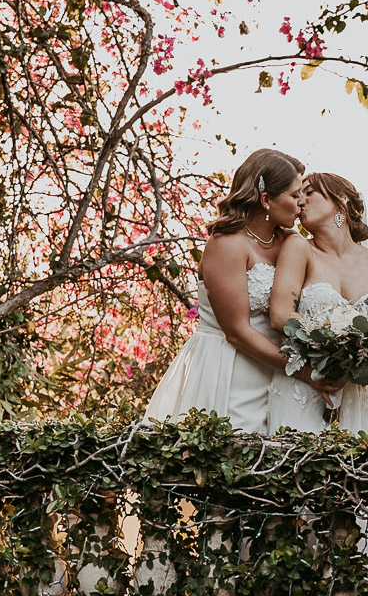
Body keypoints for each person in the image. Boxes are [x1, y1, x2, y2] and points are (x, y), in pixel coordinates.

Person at [143, 148, 338, 432]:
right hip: (229, 369)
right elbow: (236, 331)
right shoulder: (227, 244)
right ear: (266, 199)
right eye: (294, 196)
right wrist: (305, 373)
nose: (300, 205)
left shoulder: (291, 243)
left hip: (276, 377)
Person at [267, 172, 368, 433]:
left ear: (340, 201)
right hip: (306, 385)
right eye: (298, 195)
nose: (300, 202)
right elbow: (279, 316)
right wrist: (334, 335)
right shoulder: (299, 248)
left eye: (309, 193)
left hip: (356, 395)